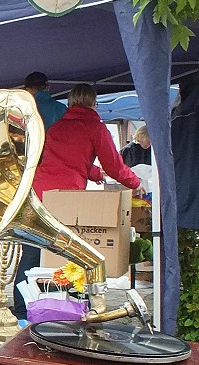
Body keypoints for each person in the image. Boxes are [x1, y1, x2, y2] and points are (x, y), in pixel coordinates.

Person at [13, 83, 142, 319]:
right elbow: (114, 165)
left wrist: (93, 173)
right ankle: (68, 308)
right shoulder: (95, 126)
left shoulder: (57, 126)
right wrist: (136, 182)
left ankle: (22, 309)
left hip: (37, 193)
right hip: (66, 198)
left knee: (32, 253)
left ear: (70, 102)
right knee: (66, 254)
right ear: (94, 103)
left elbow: (63, 158)